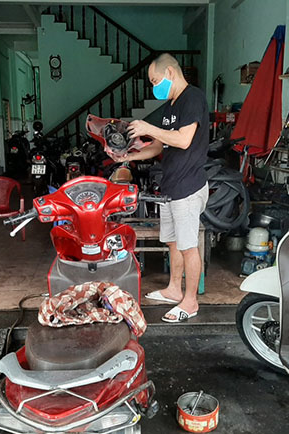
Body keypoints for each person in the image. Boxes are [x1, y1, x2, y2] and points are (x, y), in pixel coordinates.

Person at [108, 53, 209, 323]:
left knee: (189, 246)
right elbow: (159, 146)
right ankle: (175, 289)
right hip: (170, 186)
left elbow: (184, 140)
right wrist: (127, 156)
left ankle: (191, 301)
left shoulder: (193, 98)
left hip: (188, 186)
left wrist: (148, 126)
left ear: (170, 73)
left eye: (155, 80)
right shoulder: (170, 107)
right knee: (174, 242)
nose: (154, 86)